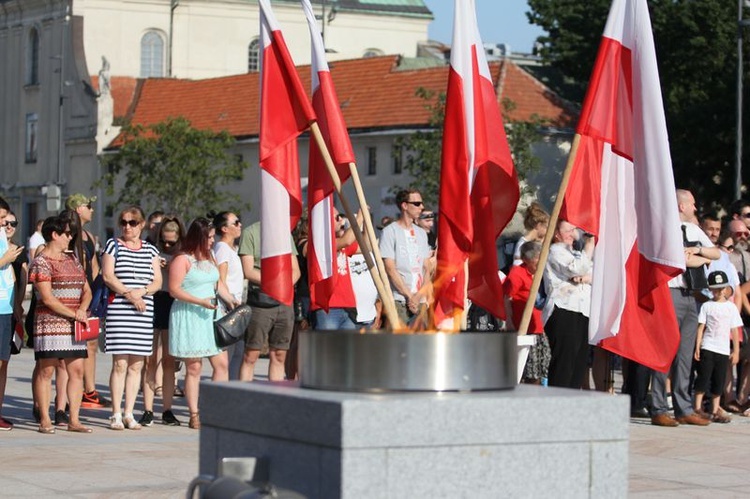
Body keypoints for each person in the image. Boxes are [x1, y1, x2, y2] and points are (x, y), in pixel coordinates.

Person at [651, 189, 719, 427]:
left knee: (685, 354)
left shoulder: (694, 230)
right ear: (681, 206)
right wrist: (697, 258)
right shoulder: (666, 228)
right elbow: (680, 260)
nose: (695, 208)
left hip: (691, 294)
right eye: (692, 204)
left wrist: (699, 251)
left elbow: (715, 254)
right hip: (669, 292)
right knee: (664, 351)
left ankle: (683, 408)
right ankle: (659, 406)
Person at [169, 217, 237, 429]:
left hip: (211, 315)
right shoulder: (183, 259)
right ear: (198, 237)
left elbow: (218, 284)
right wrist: (199, 301)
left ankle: (218, 409)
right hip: (190, 314)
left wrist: (232, 300)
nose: (211, 241)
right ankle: (194, 413)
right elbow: (174, 289)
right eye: (208, 237)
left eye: (212, 237)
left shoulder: (211, 257)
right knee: (194, 367)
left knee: (221, 364)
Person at [28, 215, 93, 434]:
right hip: (50, 323)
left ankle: (74, 419)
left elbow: (87, 290)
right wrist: (75, 314)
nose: (70, 237)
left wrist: (82, 308)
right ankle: (45, 418)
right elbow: (47, 298)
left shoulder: (72, 258)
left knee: (76, 371)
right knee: (46, 371)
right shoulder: (41, 261)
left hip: (75, 324)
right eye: (66, 233)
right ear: (54, 235)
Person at [102, 206, 162, 430]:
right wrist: (129, 294)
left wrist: (143, 292)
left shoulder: (150, 250)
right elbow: (108, 275)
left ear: (142, 224)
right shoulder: (113, 245)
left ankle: (129, 412)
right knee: (120, 363)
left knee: (137, 365)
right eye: (124, 222)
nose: (127, 226)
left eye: (133, 222)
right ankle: (116, 413)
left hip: (143, 311)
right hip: (121, 309)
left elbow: (157, 282)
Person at [238, 221, 299, 382]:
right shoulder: (250, 232)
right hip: (261, 302)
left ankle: (276, 398)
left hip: (284, 302)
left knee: (279, 354)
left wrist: (283, 287)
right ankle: (246, 398)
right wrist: (274, 285)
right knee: (251, 354)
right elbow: (249, 271)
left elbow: (296, 270)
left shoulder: (284, 233)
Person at [64, 194, 109, 409]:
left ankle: (89, 391)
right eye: (88, 206)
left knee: (91, 344)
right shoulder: (66, 234)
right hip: (71, 298)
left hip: (90, 297)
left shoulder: (88, 236)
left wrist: (98, 295)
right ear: (78, 208)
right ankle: (65, 397)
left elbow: (95, 266)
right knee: (67, 349)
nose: (92, 209)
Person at [141, 215, 185, 426]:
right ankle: (147, 409)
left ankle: (167, 409)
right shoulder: (151, 251)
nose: (167, 245)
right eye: (163, 241)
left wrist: (174, 266)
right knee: (149, 359)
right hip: (152, 300)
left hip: (171, 302)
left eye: (171, 242)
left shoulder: (183, 255)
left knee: (169, 360)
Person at [541, 220, 593, 389]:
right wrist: (590, 245)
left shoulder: (577, 253)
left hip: (582, 311)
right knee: (564, 363)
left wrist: (584, 277)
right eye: (568, 230)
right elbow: (576, 268)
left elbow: (593, 272)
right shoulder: (555, 251)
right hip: (563, 310)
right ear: (557, 234)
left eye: (573, 230)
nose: (572, 234)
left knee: (578, 363)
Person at [694, 270, 741, 423]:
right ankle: (697, 407)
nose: (718, 292)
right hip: (708, 345)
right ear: (710, 289)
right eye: (714, 289)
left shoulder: (731, 307)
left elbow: (734, 330)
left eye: (721, 288)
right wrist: (697, 347)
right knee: (703, 377)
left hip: (722, 348)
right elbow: (701, 327)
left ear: (726, 288)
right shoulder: (707, 306)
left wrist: (736, 351)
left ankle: (715, 409)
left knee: (718, 380)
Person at [379, 189, 431, 326]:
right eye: (417, 203)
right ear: (404, 205)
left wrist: (418, 296)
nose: (422, 207)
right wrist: (409, 296)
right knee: (398, 344)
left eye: (421, 203)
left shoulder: (421, 233)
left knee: (422, 344)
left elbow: (426, 268)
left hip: (420, 300)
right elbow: (390, 268)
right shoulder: (389, 232)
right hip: (399, 301)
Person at [504, 241, 549, 384]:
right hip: (524, 327)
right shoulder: (517, 273)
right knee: (527, 369)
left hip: (538, 325)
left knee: (541, 366)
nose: (539, 261)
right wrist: (509, 322)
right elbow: (506, 298)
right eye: (536, 258)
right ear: (527, 260)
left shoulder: (542, 273)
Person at [309, 209, 361, 330]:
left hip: (348, 306)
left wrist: (367, 223)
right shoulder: (320, 242)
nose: (341, 220)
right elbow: (347, 241)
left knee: (347, 348)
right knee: (327, 348)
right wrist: (358, 219)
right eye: (337, 218)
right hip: (328, 308)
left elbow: (367, 246)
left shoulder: (340, 243)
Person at [0, 198, 24, 431]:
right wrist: (4, 260)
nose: (4, 224)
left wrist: (17, 306)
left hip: (6, 309)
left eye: (7, 220)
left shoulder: (5, 242)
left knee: (3, 363)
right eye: (0, 219)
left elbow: (10, 277)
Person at [212, 212, 244, 379]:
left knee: (237, 353)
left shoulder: (232, 249)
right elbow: (220, 280)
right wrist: (229, 303)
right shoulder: (222, 249)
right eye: (236, 222)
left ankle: (229, 391)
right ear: (224, 228)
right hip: (227, 308)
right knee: (225, 359)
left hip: (233, 307)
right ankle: (221, 394)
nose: (240, 225)